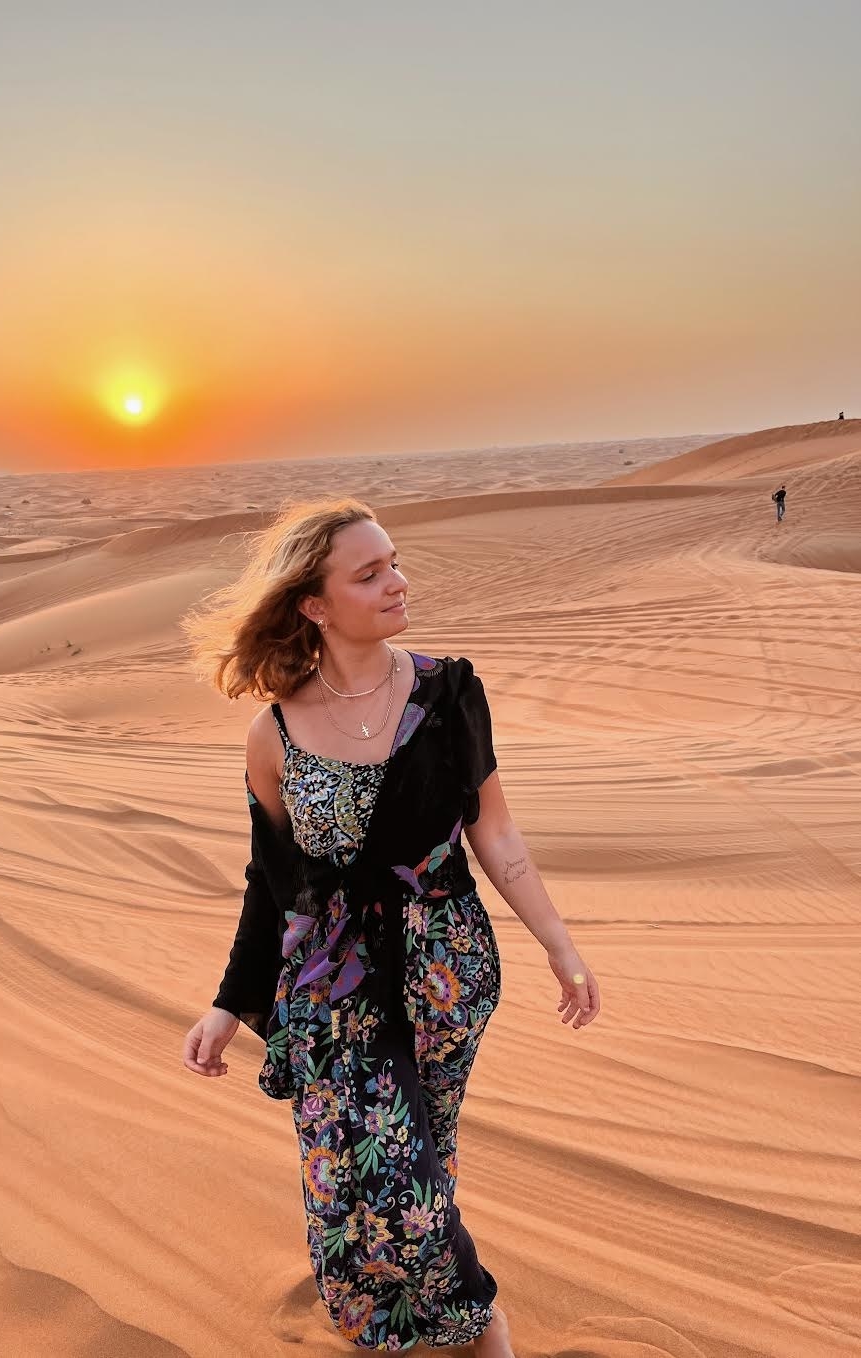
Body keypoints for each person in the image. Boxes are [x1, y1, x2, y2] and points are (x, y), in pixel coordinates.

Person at [182, 499, 601, 1355]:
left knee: (421, 1162)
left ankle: (431, 1322)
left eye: (395, 563)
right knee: (360, 1180)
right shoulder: (275, 734)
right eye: (368, 574)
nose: (397, 582)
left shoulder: (449, 693)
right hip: (331, 987)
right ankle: (473, 1318)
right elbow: (274, 884)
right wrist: (230, 1003)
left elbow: (497, 834)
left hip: (446, 973)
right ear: (314, 604)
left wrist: (560, 944)